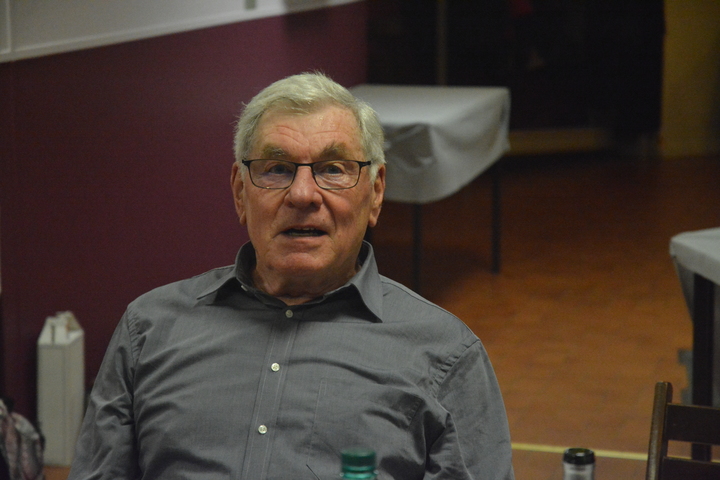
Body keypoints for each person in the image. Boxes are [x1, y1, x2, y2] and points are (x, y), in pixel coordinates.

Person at [68, 72, 514, 480]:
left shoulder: (446, 357)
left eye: (333, 169)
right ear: (240, 192)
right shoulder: (148, 330)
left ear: (376, 193)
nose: (302, 195)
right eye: (277, 169)